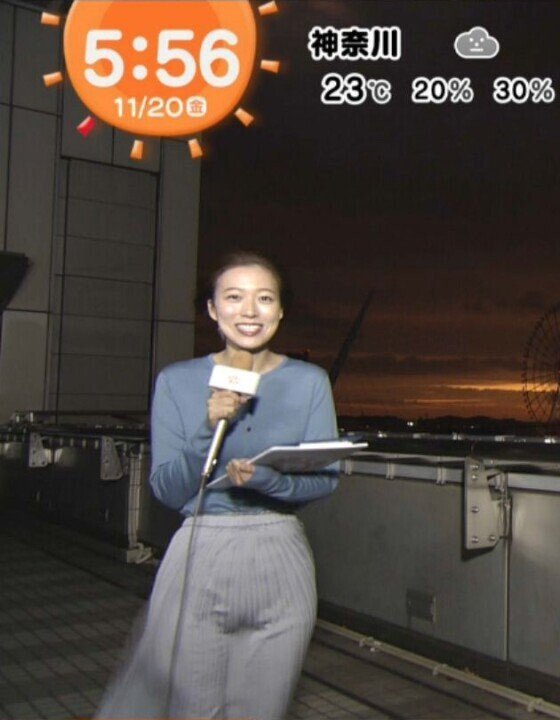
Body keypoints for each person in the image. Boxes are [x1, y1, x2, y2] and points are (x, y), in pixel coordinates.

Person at [96, 251, 339, 720]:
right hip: (200, 552)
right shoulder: (177, 381)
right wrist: (208, 430)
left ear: (280, 311)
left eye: (264, 298)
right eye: (233, 297)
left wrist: (268, 479)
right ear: (211, 308)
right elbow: (167, 490)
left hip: (282, 556)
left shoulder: (310, 382)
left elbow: (325, 482)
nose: (249, 311)